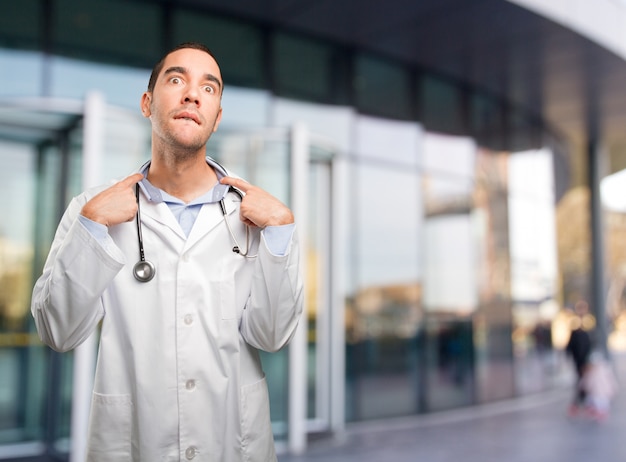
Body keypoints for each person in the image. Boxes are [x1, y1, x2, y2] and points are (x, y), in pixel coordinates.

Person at [31, 42, 303, 461]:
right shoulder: (92, 209)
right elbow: (58, 331)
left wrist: (282, 233)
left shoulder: (260, 217)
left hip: (233, 446)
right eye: (176, 80)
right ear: (147, 103)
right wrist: (91, 227)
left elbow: (271, 336)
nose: (192, 94)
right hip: (134, 445)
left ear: (216, 119)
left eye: (208, 88)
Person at [565, 301, 593, 416]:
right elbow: (570, 344)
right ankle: (579, 402)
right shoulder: (574, 324)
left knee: (585, 381)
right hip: (579, 360)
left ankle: (583, 402)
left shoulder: (589, 322)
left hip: (586, 359)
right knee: (581, 381)